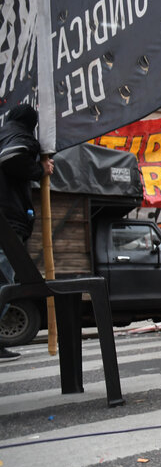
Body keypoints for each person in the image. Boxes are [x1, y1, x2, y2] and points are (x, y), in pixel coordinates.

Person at [0, 104, 55, 362]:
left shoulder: (4, 132)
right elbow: (12, 157)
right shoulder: (18, 134)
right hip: (7, 222)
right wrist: (39, 169)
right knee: (3, 284)